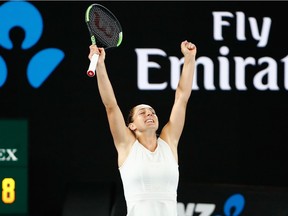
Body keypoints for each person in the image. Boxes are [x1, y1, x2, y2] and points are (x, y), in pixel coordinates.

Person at [88, 40, 197, 216]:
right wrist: (100, 65)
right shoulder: (126, 146)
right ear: (131, 125)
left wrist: (190, 59)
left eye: (152, 112)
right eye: (142, 113)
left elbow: (182, 97)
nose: (149, 114)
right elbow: (110, 105)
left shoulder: (169, 142)